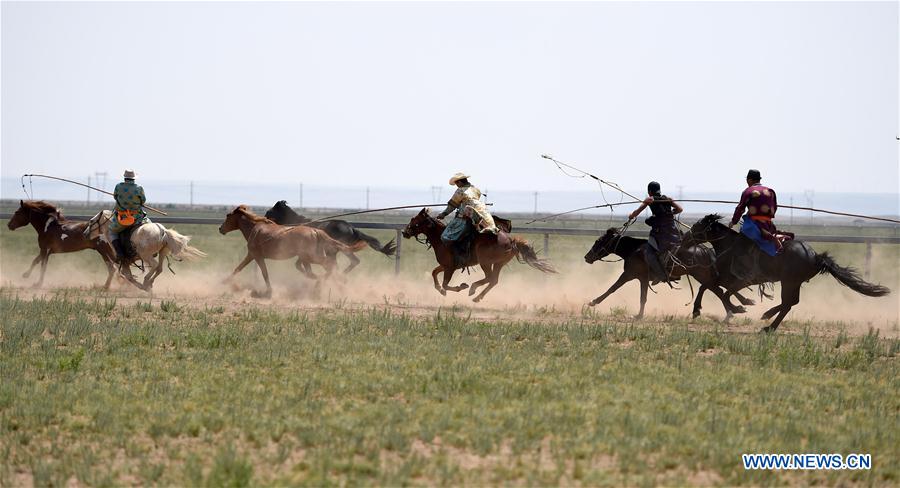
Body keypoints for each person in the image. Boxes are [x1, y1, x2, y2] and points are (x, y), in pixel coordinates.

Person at [628, 181, 683, 285]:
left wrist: (631, 215)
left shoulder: (650, 199)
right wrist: (670, 213)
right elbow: (680, 209)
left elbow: (637, 212)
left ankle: (662, 275)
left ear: (649, 191)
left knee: (649, 253)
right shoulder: (668, 199)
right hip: (674, 233)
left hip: (661, 235)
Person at [436, 173, 498, 265]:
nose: (456, 185)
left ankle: (458, 257)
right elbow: (472, 199)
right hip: (483, 212)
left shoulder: (460, 191)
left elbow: (452, 206)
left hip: (465, 217)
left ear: (460, 182)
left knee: (445, 236)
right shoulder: (475, 189)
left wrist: (443, 214)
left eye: (457, 183)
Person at [729, 169, 782, 256]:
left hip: (754, 225)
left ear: (749, 180)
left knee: (741, 242)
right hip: (768, 224)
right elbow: (774, 207)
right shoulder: (770, 191)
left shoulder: (748, 191)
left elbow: (740, 208)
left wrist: (733, 221)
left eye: (747, 180)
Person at [109, 169, 148, 267]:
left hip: (122, 218)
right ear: (134, 178)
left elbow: (115, 197)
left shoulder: (118, 186)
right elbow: (143, 201)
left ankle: (119, 253)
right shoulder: (139, 188)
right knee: (150, 226)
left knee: (112, 232)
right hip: (137, 217)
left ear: (124, 177)